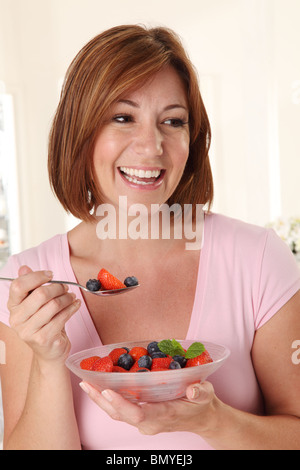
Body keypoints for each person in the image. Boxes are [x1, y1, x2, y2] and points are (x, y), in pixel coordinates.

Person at [0, 24, 299, 451]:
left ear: (191, 141)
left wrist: (215, 421)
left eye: (172, 121)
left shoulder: (257, 259)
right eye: (123, 117)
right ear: (79, 133)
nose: (152, 145)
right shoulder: (30, 286)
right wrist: (48, 361)